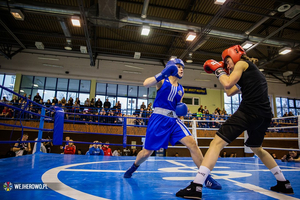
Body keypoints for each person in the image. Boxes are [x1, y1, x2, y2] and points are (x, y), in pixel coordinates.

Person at [176, 45, 294, 199]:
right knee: (257, 148)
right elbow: (230, 91)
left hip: (249, 111)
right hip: (264, 115)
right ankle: (283, 182)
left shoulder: (242, 64)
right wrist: (220, 73)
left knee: (216, 143)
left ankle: (197, 185)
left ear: (235, 55)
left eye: (228, 61)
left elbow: (227, 83)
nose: (228, 65)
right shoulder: (251, 73)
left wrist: (218, 70)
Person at [123, 58, 221, 189]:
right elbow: (146, 83)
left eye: (182, 67)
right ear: (171, 67)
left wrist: (182, 110)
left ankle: (206, 177)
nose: (181, 69)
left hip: (174, 120)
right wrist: (163, 73)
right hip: (158, 119)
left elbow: (177, 106)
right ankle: (133, 167)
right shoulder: (163, 81)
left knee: (192, 143)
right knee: (146, 153)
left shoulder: (181, 89)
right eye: (179, 66)